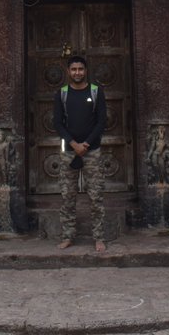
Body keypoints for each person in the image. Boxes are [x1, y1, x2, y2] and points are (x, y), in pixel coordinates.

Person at [53, 55, 107, 252]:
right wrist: (73, 144)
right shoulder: (62, 94)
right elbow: (58, 123)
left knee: (96, 197)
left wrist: (86, 144)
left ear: (86, 71)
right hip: (68, 152)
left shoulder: (95, 92)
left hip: (92, 152)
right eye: (74, 69)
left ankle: (99, 238)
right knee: (68, 197)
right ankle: (67, 236)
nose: (77, 73)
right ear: (68, 71)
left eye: (80, 69)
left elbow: (101, 121)